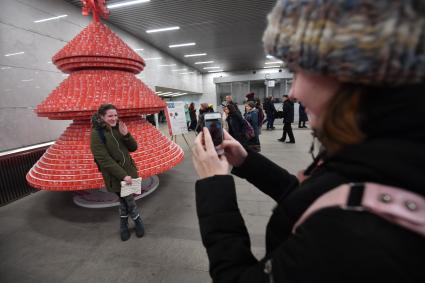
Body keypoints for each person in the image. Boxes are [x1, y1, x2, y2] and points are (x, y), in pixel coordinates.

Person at [191, 0, 425, 282]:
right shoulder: (388, 155)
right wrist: (246, 161)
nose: (294, 92)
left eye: (302, 71)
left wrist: (214, 187)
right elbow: (311, 195)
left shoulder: (355, 234)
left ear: (360, 76)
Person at [90, 104, 145, 241]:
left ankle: (124, 225)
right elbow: (103, 159)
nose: (114, 118)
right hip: (115, 176)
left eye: (115, 115)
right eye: (110, 116)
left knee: (124, 201)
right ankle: (137, 221)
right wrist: (123, 175)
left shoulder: (119, 128)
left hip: (130, 172)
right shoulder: (96, 134)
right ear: (102, 117)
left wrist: (126, 135)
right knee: (128, 201)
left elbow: (133, 148)